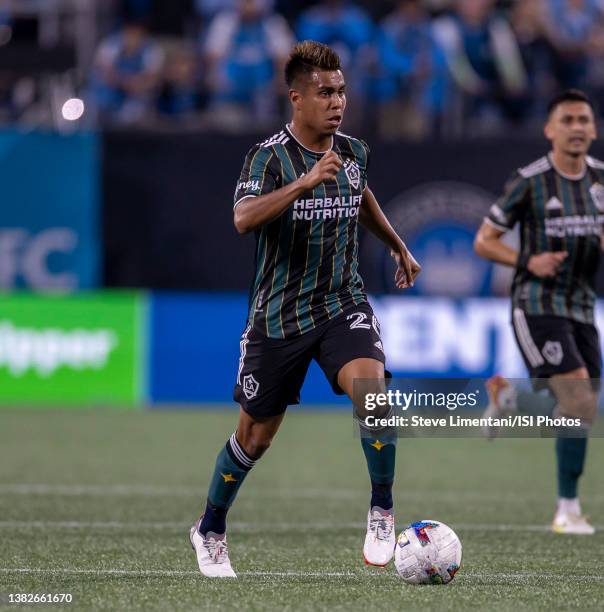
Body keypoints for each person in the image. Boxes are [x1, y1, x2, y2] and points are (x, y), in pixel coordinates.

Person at [189, 40, 420, 577]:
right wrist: (303, 183)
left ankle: (382, 508)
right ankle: (210, 527)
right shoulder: (268, 157)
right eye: (324, 93)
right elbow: (244, 219)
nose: (336, 102)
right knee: (255, 438)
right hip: (278, 317)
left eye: (341, 91)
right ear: (296, 97)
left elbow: (360, 194)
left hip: (343, 300)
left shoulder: (355, 151)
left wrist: (397, 244)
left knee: (373, 393)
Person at [474, 89, 601, 535]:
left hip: (582, 306)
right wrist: (528, 261)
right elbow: (483, 239)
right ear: (550, 130)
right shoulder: (530, 181)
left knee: (578, 407)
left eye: (584, 119)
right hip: (536, 304)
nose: (577, 127)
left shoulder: (601, 181)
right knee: (579, 396)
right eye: (567, 120)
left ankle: (510, 399)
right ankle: (567, 510)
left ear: (594, 128)